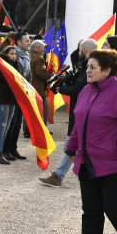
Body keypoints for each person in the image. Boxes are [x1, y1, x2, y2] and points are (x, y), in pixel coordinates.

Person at [64, 49, 117, 233]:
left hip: (111, 166)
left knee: (114, 211)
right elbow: (79, 123)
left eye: (92, 67)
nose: (87, 70)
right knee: (91, 213)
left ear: (107, 70)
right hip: (86, 164)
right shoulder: (86, 90)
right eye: (88, 66)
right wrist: (71, 148)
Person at [39, 39, 97, 187]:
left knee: (71, 143)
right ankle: (59, 175)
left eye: (79, 51)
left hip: (82, 112)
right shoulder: (86, 66)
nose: (77, 54)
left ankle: (58, 176)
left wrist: (61, 88)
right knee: (75, 143)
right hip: (82, 111)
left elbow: (78, 89)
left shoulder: (88, 67)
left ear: (84, 51)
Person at [1, 32, 30, 160]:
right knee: (11, 123)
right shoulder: (12, 56)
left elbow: (28, 75)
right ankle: (5, 150)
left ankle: (13, 148)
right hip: (12, 95)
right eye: (27, 41)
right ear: (19, 43)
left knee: (18, 123)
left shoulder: (27, 56)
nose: (29, 43)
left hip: (23, 94)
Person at [0, 46, 19, 164]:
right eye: (11, 54)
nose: (14, 56)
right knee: (1, 126)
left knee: (6, 127)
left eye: (15, 54)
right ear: (5, 54)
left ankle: (1, 151)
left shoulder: (15, 64)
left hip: (11, 98)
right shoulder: (0, 64)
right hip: (2, 98)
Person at [29, 40, 51, 126]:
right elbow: (41, 73)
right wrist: (51, 77)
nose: (44, 50)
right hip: (38, 89)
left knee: (31, 110)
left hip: (30, 87)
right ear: (38, 48)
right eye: (43, 48)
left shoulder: (30, 56)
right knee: (43, 111)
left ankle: (28, 131)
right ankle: (43, 130)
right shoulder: (39, 58)